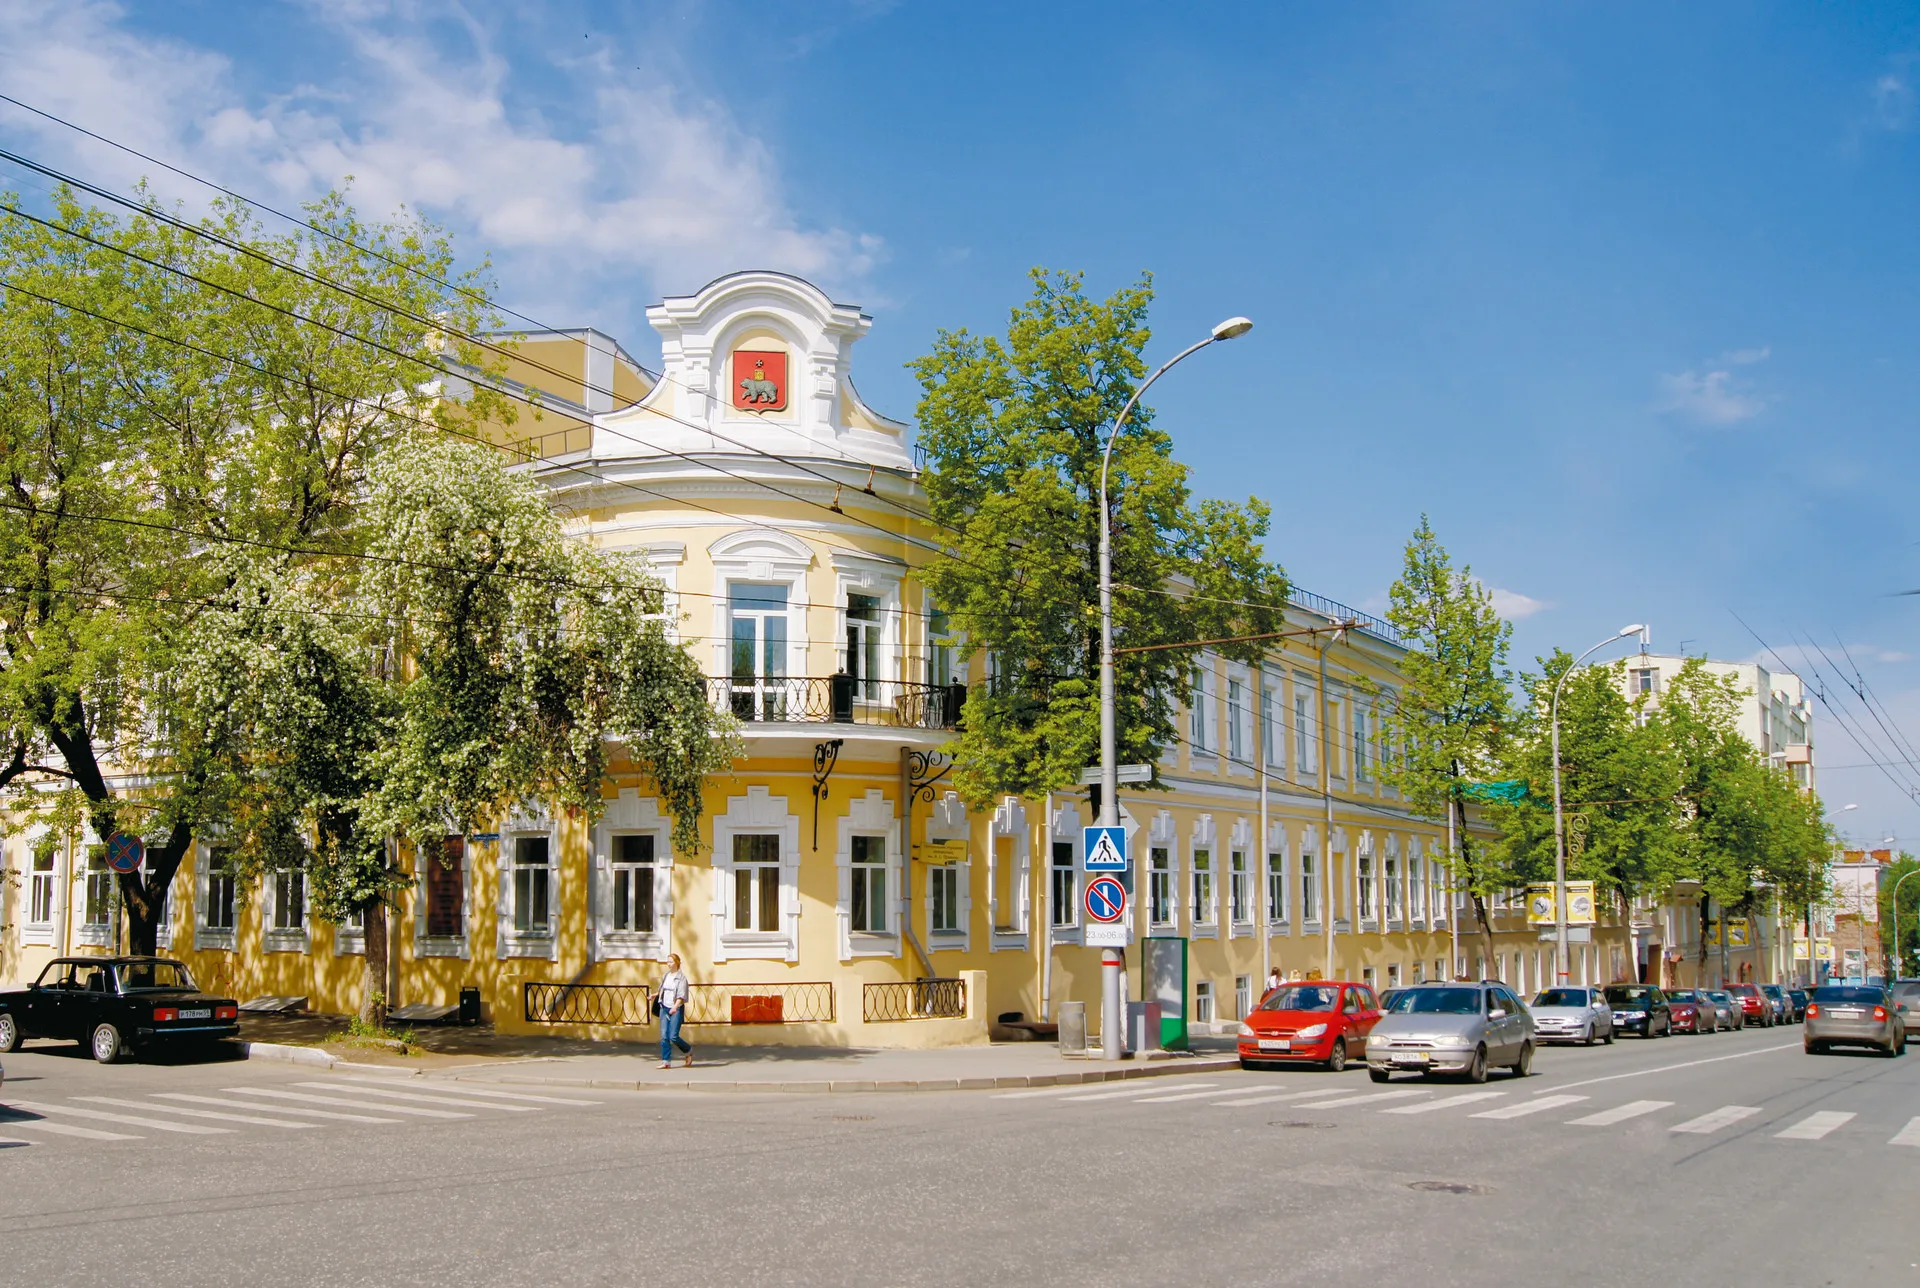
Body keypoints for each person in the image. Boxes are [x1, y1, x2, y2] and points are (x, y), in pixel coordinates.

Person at [658, 954, 693, 1070]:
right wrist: (655, 996)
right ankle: (666, 1061)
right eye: (667, 962)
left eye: (671, 962)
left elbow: (681, 995)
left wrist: (675, 1007)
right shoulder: (666, 976)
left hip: (675, 1008)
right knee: (664, 1036)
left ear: (677, 963)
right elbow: (662, 990)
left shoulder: (682, 978)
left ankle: (688, 1050)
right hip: (664, 1007)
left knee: (673, 1036)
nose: (668, 964)